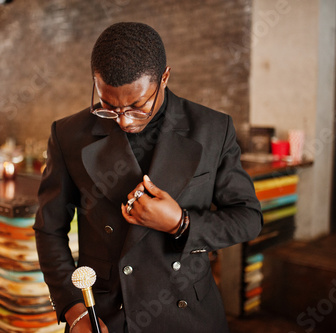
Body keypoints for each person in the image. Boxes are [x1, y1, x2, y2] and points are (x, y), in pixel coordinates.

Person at [34, 22, 263, 333]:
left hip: (188, 313)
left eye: (138, 107)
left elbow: (248, 218)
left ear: (164, 78)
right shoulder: (68, 134)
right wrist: (74, 309)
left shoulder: (212, 129)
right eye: (108, 107)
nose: (125, 121)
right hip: (106, 316)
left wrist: (181, 224)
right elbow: (50, 230)